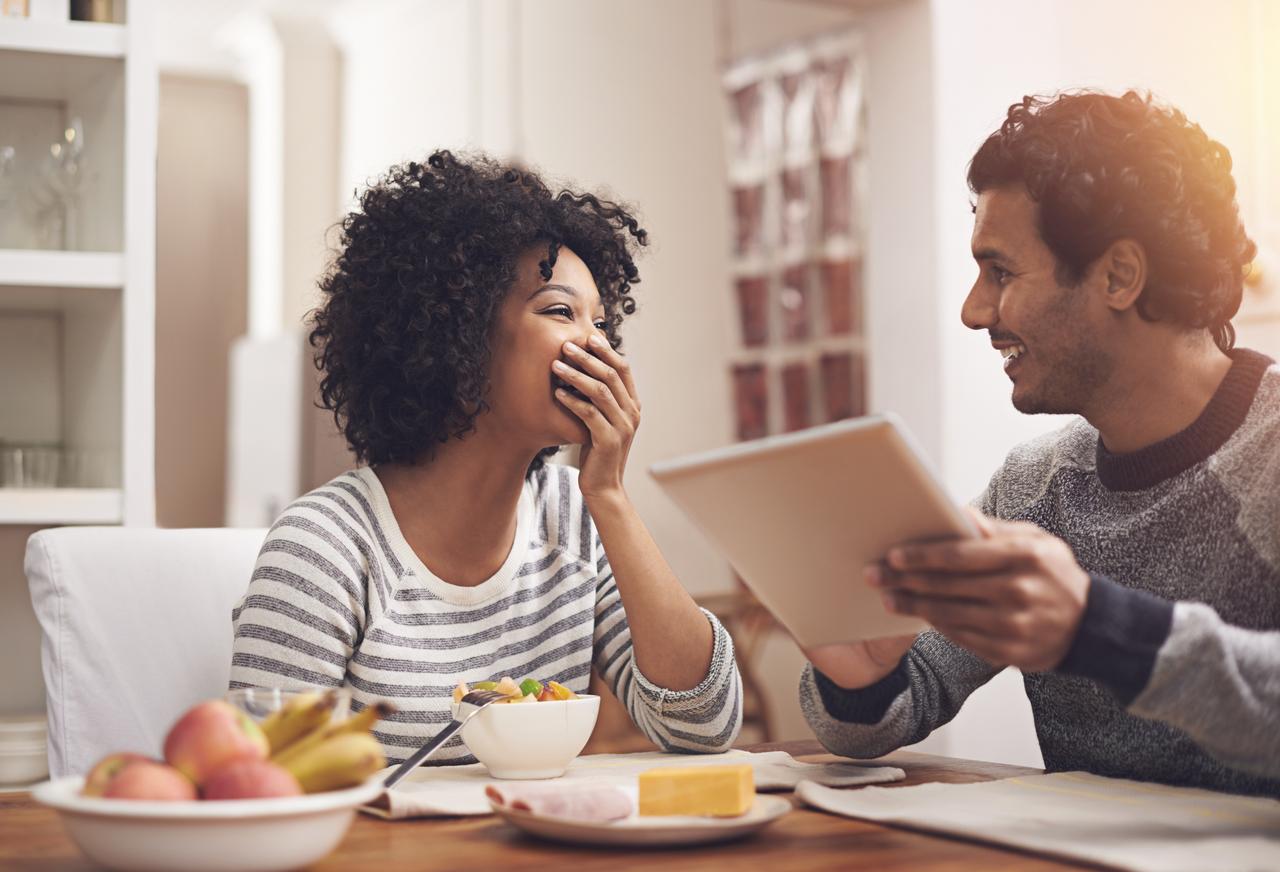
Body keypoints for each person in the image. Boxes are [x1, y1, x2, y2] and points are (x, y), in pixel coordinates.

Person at [799, 90, 1280, 796]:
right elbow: (877, 724)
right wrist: (864, 675)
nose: (973, 312)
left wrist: (1099, 629)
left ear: (1119, 275)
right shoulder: (1035, 486)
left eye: (1000, 272)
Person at [230, 151, 742, 765]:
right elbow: (264, 786)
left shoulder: (575, 519)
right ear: (458, 338)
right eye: (560, 311)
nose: (598, 347)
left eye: (602, 324)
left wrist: (608, 495)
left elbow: (703, 728)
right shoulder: (324, 546)